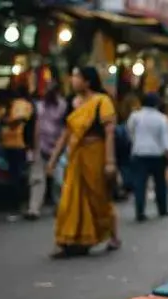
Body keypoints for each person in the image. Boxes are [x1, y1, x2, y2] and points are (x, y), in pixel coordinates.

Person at [46, 66, 121, 258]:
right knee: (70, 198)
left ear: (87, 81)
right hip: (76, 156)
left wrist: (110, 162)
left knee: (99, 198)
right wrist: (53, 160)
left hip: (96, 154)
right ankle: (69, 240)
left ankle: (112, 235)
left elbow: (109, 133)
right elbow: (66, 133)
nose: (72, 80)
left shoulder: (102, 101)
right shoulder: (74, 102)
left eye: (76, 76)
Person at [126, 93, 168, 222]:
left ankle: (139, 212)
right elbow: (165, 139)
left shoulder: (135, 116)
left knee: (140, 184)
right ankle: (162, 209)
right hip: (157, 154)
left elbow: (130, 132)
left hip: (139, 153)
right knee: (160, 184)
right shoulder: (161, 118)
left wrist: (136, 143)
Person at [26, 82, 67, 220]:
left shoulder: (62, 106)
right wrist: (34, 148)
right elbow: (36, 128)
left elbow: (65, 127)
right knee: (37, 179)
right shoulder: (39, 106)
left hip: (57, 147)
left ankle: (60, 206)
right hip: (41, 146)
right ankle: (34, 208)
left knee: (59, 180)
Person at [0, 85, 35, 210]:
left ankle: (19, 200)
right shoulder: (12, 105)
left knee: (18, 173)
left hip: (18, 143)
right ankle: (17, 200)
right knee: (15, 173)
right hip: (11, 143)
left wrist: (7, 121)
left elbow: (20, 120)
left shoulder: (21, 104)